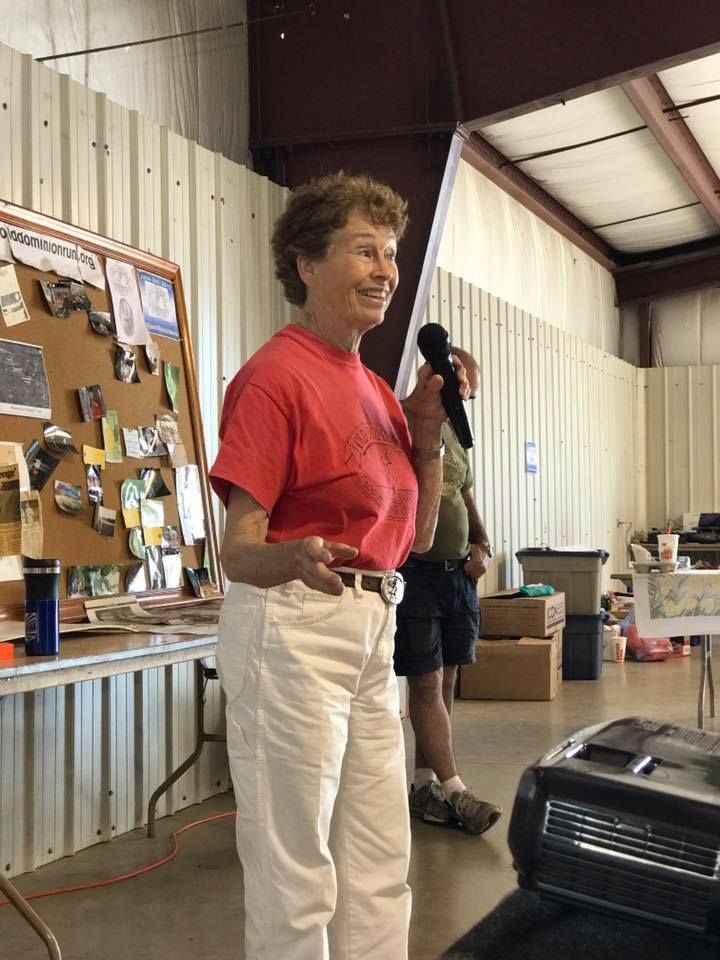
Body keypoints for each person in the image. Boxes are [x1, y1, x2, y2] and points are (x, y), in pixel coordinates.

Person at [209, 171, 467, 960]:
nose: (386, 268)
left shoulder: (376, 392)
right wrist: (291, 557)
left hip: (371, 624)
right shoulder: (274, 378)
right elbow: (239, 549)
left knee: (379, 856)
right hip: (295, 622)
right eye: (365, 250)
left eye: (391, 252)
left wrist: (423, 434)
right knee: (297, 866)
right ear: (306, 262)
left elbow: (418, 540)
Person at [394, 347, 503, 835]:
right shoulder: (406, 422)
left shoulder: (456, 434)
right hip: (416, 572)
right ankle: (457, 791)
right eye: (461, 393)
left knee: (444, 683)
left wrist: (481, 542)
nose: (465, 404)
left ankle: (423, 785)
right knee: (423, 681)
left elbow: (463, 491)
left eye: (470, 397)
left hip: (458, 576)